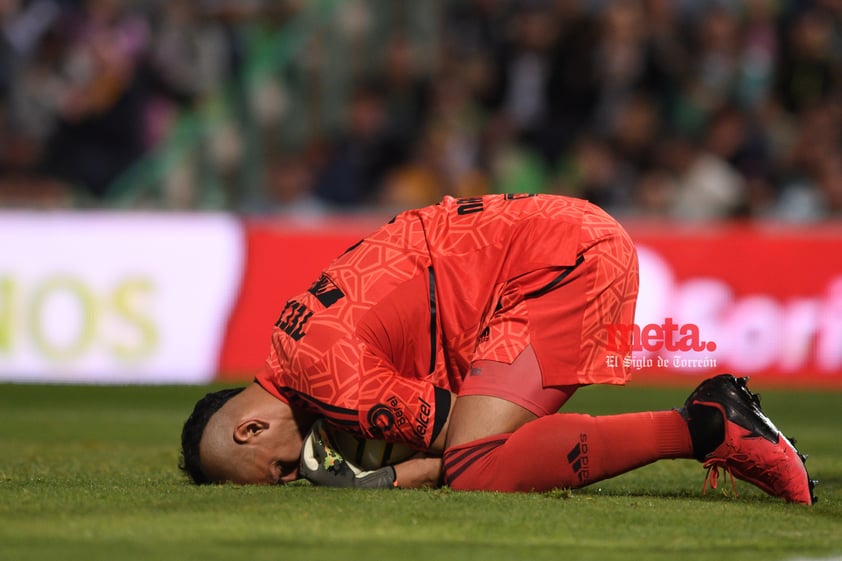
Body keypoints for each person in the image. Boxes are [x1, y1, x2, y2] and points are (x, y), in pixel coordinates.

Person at [180, 194, 816, 504]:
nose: (297, 477)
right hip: (546, 243)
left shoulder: (331, 383)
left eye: (279, 470)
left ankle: (708, 427)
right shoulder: (290, 340)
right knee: (474, 449)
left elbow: (457, 435)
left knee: (474, 466)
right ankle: (708, 422)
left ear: (250, 429)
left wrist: (392, 477)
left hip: (559, 264)